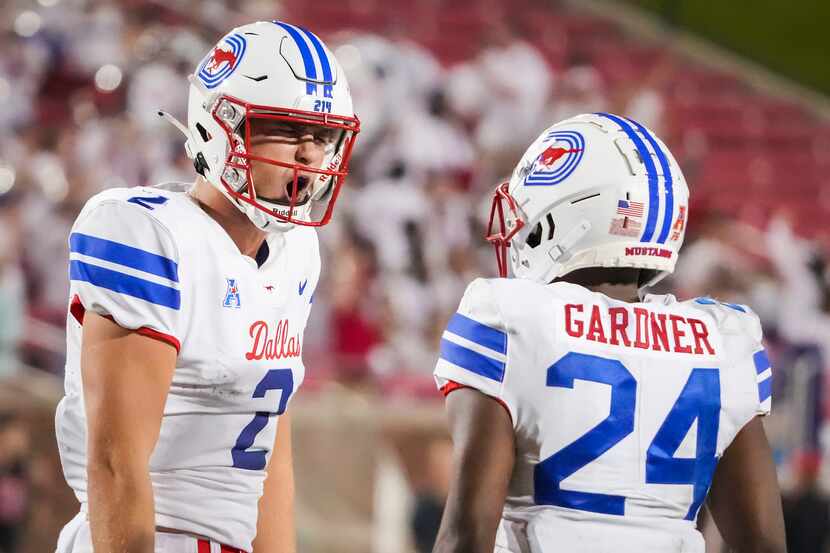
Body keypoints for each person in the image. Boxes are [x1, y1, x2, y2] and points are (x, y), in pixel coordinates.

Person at [54, 21, 359, 553]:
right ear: (220, 126)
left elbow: (269, 443)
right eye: (288, 129)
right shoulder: (148, 233)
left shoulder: (296, 252)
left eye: (323, 134)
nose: (310, 154)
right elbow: (115, 465)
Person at [431, 113, 786, 553]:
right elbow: (764, 544)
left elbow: (465, 535)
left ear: (567, 213)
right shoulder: (725, 339)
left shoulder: (508, 317)